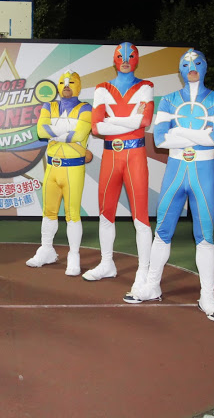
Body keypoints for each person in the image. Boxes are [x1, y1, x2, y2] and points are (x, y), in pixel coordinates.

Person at [124, 49, 214, 322]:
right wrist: (198, 135)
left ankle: (207, 296)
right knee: (162, 230)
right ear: (180, 69)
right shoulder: (169, 100)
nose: (191, 67)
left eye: (197, 63)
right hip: (175, 171)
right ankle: (152, 285)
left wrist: (178, 131)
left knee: (205, 235)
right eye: (186, 64)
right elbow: (160, 139)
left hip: (202, 173)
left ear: (205, 66)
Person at [83, 42, 154, 282]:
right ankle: (106, 263)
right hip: (111, 157)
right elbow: (96, 127)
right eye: (120, 56)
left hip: (135, 157)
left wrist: (111, 122)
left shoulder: (145, 87)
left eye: (130, 55)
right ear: (114, 59)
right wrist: (129, 121)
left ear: (137, 59)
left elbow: (144, 121)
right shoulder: (102, 88)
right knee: (106, 213)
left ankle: (143, 270)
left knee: (141, 216)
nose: (124, 60)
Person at [26, 70, 93, 276]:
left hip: (73, 168)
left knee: (72, 214)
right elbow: (40, 131)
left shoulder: (86, 108)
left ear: (78, 85)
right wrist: (67, 132)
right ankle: (46, 250)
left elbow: (79, 134)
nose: (66, 86)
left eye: (71, 82)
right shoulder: (49, 106)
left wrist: (54, 133)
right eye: (63, 82)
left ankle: (74, 255)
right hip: (52, 168)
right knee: (48, 211)